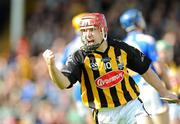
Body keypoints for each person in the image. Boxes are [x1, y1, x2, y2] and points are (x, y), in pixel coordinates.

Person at [43, 12, 178, 124]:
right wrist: (51, 67)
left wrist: (163, 91)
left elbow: (146, 71)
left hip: (130, 105)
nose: (87, 34)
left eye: (92, 30)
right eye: (84, 31)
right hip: (104, 115)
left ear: (103, 30)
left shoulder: (121, 48)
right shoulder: (78, 57)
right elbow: (63, 83)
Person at [119, 8, 171, 124]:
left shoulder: (121, 45)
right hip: (151, 88)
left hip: (135, 95)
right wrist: (167, 86)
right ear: (137, 21)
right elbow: (159, 68)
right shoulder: (147, 40)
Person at [59, 13, 93, 124]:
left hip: (77, 87)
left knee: (88, 115)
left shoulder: (69, 46)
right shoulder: (91, 41)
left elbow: (61, 66)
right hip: (92, 83)